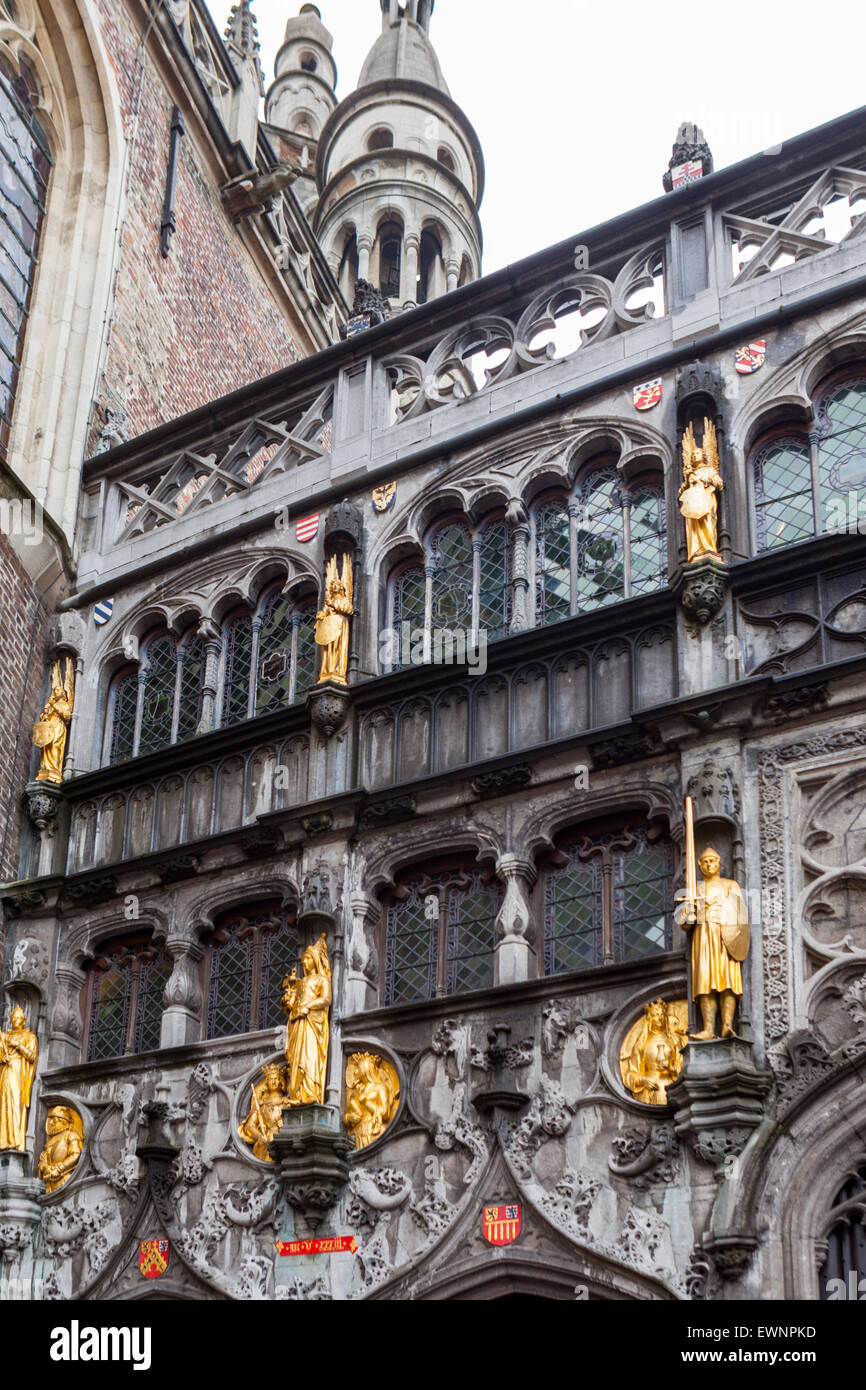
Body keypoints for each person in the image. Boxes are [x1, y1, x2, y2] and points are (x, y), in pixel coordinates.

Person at [682, 847, 750, 1039]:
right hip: (703, 936)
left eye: (713, 860)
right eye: (705, 861)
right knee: (705, 983)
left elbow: (740, 913)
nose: (709, 864)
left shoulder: (730, 884)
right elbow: (685, 925)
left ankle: (727, 1025)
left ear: (720, 863)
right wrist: (691, 913)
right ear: (699, 865)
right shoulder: (695, 889)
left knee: (727, 981)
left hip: (725, 935)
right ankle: (708, 1029)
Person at [283, 935, 331, 1105]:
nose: (305, 962)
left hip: (313, 1022)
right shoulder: (301, 982)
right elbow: (291, 1002)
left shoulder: (322, 979)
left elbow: (326, 999)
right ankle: (297, 1094)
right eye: (303, 959)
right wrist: (289, 999)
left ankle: (311, 1091)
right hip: (298, 1022)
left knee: (309, 1055)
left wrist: (308, 1006)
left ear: (315, 960)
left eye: (308, 959)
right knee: (296, 1057)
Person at [0, 1006, 38, 1151]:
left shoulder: (30, 1037)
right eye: (13, 1018)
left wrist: (20, 1046)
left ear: (23, 1020)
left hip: (18, 1073)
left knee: (15, 1103)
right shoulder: (5, 1036)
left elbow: (32, 1056)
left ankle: (15, 1139)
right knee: (4, 1103)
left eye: (18, 1018)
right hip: (5, 1071)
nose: (15, 1020)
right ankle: (3, 1139)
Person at [238, 1065, 289, 1161]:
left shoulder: (287, 1103)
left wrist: (284, 1124)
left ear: (281, 1081)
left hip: (284, 1140)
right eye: (270, 1079)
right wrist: (260, 1136)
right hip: (267, 1142)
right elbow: (250, 1125)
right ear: (267, 1083)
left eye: (276, 1079)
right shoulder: (261, 1105)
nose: (273, 1082)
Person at [37, 1106, 84, 1192]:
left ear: (63, 1121)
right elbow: (43, 1157)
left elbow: (75, 1154)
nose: (51, 1122)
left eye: (54, 1119)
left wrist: (59, 1169)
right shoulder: (51, 1140)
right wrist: (44, 1167)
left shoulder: (70, 1135)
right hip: (48, 1182)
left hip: (63, 1180)